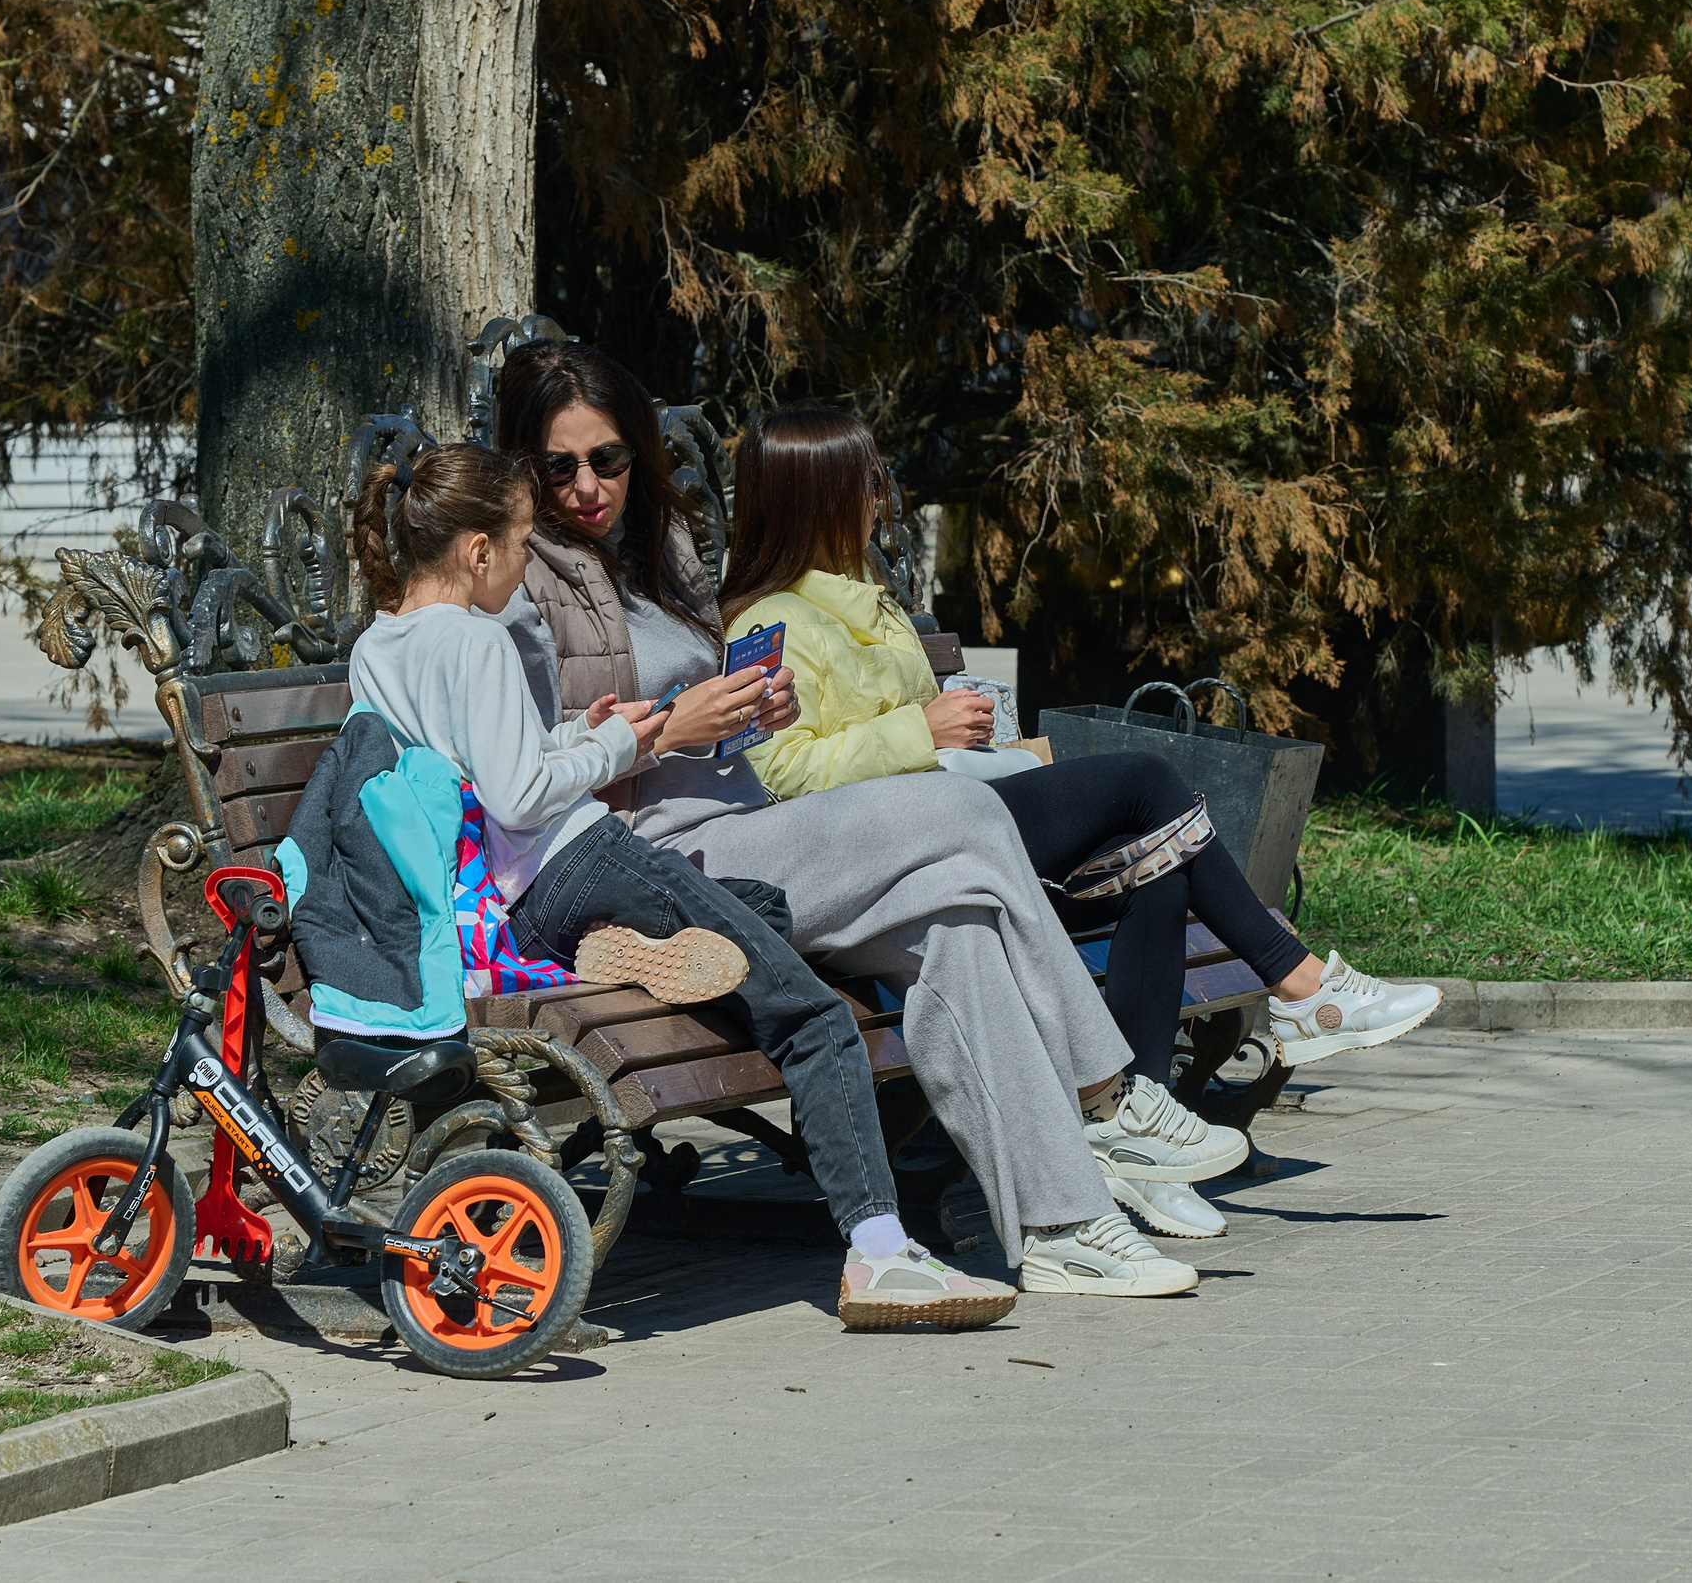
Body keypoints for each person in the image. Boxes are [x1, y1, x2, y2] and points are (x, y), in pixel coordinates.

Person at [490, 339, 1226, 1292]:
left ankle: (1063, 1225)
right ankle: (1107, 1094)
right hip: (649, 865)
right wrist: (667, 731)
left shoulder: (659, 552)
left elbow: (715, 725)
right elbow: (517, 774)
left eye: (609, 458)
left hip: (745, 825)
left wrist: (751, 712)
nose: (589, 486)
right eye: (560, 467)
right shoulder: (515, 582)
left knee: (960, 921)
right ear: (525, 465)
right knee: (961, 809)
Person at [341, 438, 1021, 1331]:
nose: (524, 565)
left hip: (514, 910)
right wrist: (629, 742)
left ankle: (626, 952)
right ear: (477, 552)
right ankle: (880, 1251)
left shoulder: (377, 647)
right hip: (581, 860)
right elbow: (520, 797)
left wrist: (578, 733)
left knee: (759, 915)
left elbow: (465, 774)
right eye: (519, 544)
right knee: (810, 1012)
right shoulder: (478, 638)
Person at [715, 405, 1443, 1230]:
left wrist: (974, 738)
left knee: (1156, 867)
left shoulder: (871, 604)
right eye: (867, 482)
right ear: (814, 495)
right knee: (1144, 778)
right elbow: (778, 777)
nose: (881, 499)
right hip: (899, 854)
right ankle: (1302, 986)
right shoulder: (768, 622)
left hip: (953, 814)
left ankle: (1143, 1140)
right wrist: (920, 730)